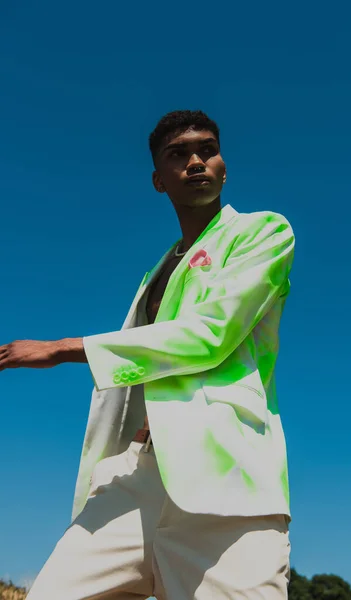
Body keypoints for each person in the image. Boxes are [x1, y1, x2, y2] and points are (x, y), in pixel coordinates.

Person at [0, 110, 295, 599]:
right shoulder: (154, 273)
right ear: (159, 180)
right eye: (179, 154)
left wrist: (62, 348)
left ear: (224, 166)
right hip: (137, 472)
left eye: (207, 149)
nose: (197, 161)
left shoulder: (264, 232)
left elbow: (210, 334)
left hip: (225, 472)